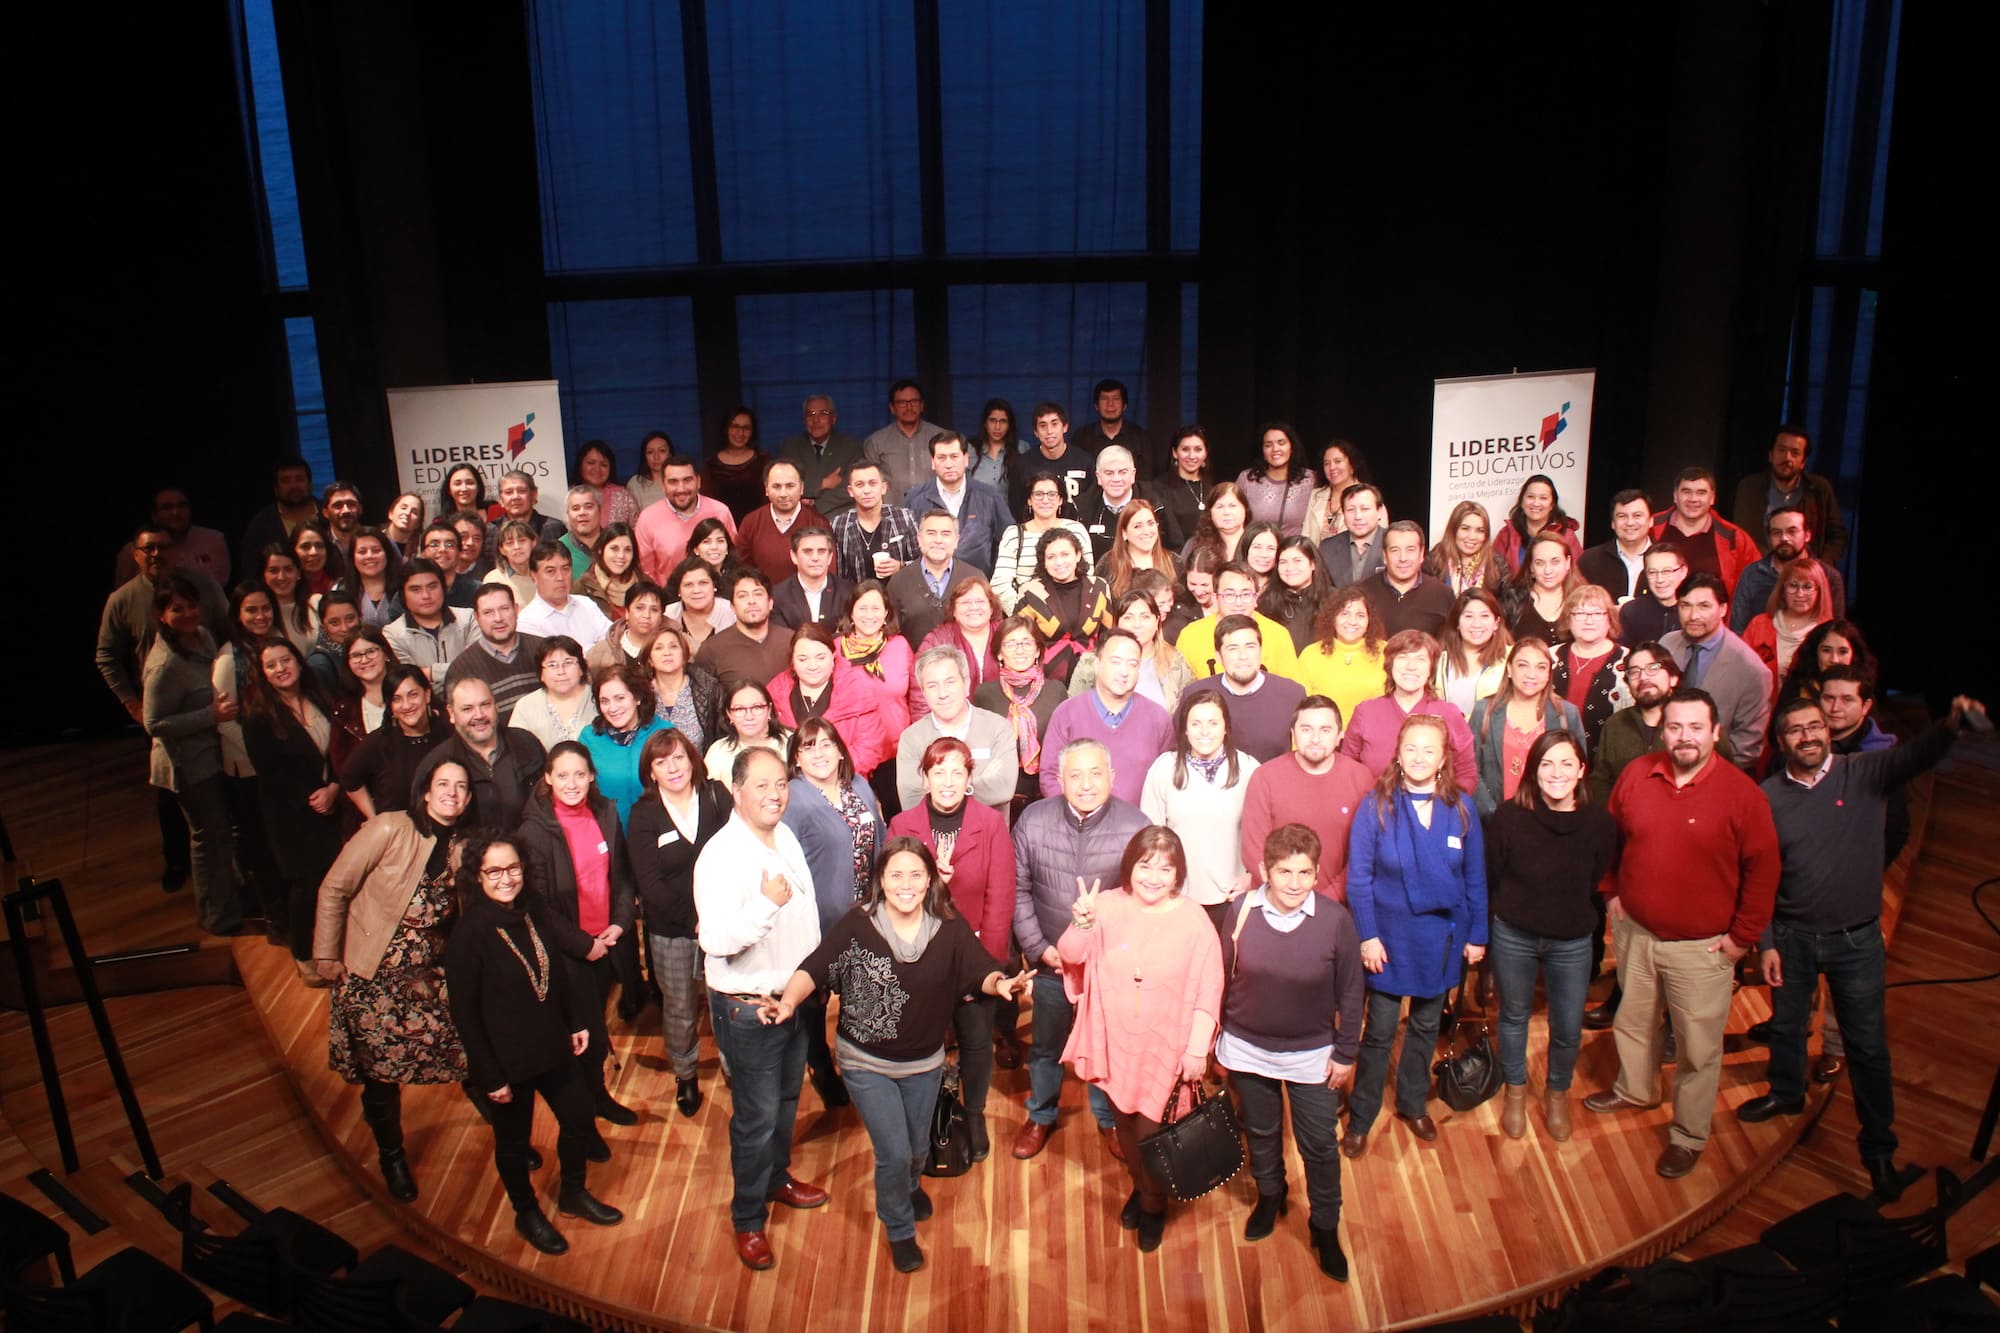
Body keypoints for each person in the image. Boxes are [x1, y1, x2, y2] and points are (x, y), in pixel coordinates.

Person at [1740, 694, 1983, 1200]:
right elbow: (1758, 877)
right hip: (1790, 939)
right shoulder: (1766, 798)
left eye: (1814, 726)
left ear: (1828, 730)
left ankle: (1878, 1153)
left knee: (1868, 1049)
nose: (1807, 736)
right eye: (1794, 731)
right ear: (1780, 741)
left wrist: (1952, 722)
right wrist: (1765, 943)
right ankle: (1787, 1094)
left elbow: (1919, 755)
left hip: (1856, 942)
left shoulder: (1866, 773)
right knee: (1786, 1027)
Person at [758, 839, 1034, 1273]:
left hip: (925, 1063)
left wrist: (1001, 984)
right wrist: (789, 1003)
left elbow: (982, 970)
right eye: (895, 875)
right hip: (865, 1062)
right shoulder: (856, 925)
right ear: (880, 881)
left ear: (930, 880)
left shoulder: (949, 926)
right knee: (893, 1151)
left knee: (917, 1148)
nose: (906, 885)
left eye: (915, 875)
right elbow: (813, 969)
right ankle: (899, 1228)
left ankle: (909, 1184)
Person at [1582, 688, 1779, 1179]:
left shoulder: (1742, 795)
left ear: (1715, 732)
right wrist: (1611, 892)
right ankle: (1635, 1089)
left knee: (1697, 1047)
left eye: (1695, 727)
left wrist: (1742, 939)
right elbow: (1611, 841)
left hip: (1704, 947)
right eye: (1675, 727)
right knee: (1634, 1021)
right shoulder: (1637, 775)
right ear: (1662, 730)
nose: (1684, 737)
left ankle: (1688, 1134)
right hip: (1638, 934)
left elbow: (1764, 872)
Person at [446, 832, 623, 1254]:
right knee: (512, 1142)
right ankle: (526, 1213)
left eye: (513, 868)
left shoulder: (533, 909)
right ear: (478, 875)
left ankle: (573, 1194)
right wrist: (488, 1075)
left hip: (552, 1042)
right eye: (494, 871)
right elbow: (465, 1016)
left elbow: (557, 974)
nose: (506, 878)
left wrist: (575, 1020)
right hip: (507, 1060)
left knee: (579, 1118)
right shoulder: (469, 935)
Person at [312, 762, 474, 1201]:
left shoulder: (464, 845)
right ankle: (392, 1155)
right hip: (373, 976)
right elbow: (333, 889)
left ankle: (505, 1131)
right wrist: (326, 956)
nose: (452, 793)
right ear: (425, 791)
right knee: (381, 1079)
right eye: (444, 785)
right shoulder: (388, 828)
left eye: (461, 787)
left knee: (467, 1051)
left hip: (429, 978)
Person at [1058, 826, 1224, 1251]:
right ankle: (1140, 1188)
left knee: (1154, 1135)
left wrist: (1196, 1049)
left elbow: (1210, 988)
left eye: (1165, 869)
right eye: (1145, 865)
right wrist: (1080, 923)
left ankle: (1154, 1205)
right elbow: (1072, 956)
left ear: (1178, 874)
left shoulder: (1194, 920)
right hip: (1117, 1046)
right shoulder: (1106, 906)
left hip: (1166, 1051)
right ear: (1129, 867)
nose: (1153, 876)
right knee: (1126, 1128)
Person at [693, 747, 827, 1271]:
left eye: (781, 784)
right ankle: (748, 1218)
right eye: (762, 786)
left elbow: (809, 914)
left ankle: (777, 1179)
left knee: (788, 1099)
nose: (775, 795)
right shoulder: (721, 855)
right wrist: (767, 903)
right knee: (755, 1118)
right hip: (750, 1009)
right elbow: (718, 939)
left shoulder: (785, 835)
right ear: (736, 791)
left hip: (793, 998)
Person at [1215, 823, 1365, 1280]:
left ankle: (1324, 1226)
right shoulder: (1240, 912)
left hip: (1312, 1055)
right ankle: (1270, 1196)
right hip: (1245, 1049)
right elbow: (1220, 979)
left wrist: (1345, 1052)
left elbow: (1352, 992)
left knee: (1320, 1146)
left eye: (1305, 873)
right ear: (1264, 870)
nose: (1296, 884)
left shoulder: (1336, 921)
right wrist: (1213, 1045)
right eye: (1284, 872)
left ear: (1317, 873)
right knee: (1260, 1132)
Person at [1341, 713, 1488, 1156]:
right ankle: (1362, 1114)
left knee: (1426, 1026)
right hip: (1388, 937)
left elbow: (1475, 879)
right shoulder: (1376, 806)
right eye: (1412, 749)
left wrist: (1477, 935)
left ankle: (1410, 1101)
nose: (1420, 757)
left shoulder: (1461, 809)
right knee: (1381, 1030)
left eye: (1430, 750)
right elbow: (1359, 879)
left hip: (1442, 936)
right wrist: (1367, 936)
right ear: (1398, 755)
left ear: (1444, 758)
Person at [1010, 739, 1150, 1160]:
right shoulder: (1033, 821)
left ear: (1112, 777)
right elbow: (1018, 891)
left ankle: (1109, 1121)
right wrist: (1039, 948)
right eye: (1075, 775)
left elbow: (1145, 901)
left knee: (1106, 1046)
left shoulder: (1135, 826)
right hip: (1052, 962)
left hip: (1108, 968)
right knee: (1046, 1046)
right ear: (1059, 779)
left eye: (1095, 774)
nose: (1085, 784)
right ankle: (1041, 1114)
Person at [888, 738, 1018, 1157]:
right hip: (920, 955)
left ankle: (975, 1112)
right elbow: (892, 895)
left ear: (969, 780)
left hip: (975, 955)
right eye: (937, 772)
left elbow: (1001, 897)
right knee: (926, 1041)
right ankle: (928, 1113)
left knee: (977, 1037)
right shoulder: (901, 826)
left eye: (956, 772)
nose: (947, 781)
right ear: (923, 779)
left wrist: (988, 967)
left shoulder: (991, 824)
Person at [1485, 732, 1617, 1140]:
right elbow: (1492, 876)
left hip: (1572, 940)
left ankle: (1557, 1094)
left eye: (1566, 764)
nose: (1556, 773)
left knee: (1567, 1026)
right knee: (1513, 1016)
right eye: (1546, 764)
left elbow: (1595, 877)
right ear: (1533, 771)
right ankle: (1516, 1093)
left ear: (1581, 770)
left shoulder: (1599, 823)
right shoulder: (1509, 817)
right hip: (1514, 935)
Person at [515, 740, 640, 1128]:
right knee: (584, 1033)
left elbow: (620, 875)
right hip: (571, 950)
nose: (572, 783)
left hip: (608, 940)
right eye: (563, 775)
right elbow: (538, 905)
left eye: (580, 774)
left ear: (592, 777)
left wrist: (619, 922)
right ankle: (585, 1112)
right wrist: (584, 945)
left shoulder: (604, 812)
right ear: (548, 778)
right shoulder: (534, 832)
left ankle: (595, 1096)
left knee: (597, 1027)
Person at [626, 729, 731, 1116]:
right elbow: (649, 883)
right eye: (661, 761)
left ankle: (735, 1067)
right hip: (671, 931)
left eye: (679, 758)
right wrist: (694, 922)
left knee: (726, 1001)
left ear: (692, 760)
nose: (672, 767)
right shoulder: (643, 815)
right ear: (650, 771)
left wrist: (716, 918)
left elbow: (738, 854)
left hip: (724, 923)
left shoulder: (717, 795)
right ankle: (685, 1074)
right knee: (680, 1008)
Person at [141, 576, 244, 936]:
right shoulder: (164, 665)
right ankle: (217, 917)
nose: (187, 613)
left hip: (214, 754)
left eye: (191, 605)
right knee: (209, 836)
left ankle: (229, 900)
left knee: (223, 832)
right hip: (188, 764)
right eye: (176, 608)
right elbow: (154, 723)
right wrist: (209, 716)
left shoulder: (203, 637)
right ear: (161, 615)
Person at [1239, 696, 1376, 902]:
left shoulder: (1361, 778)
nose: (1315, 738)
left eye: (1325, 730)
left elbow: (1365, 852)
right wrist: (1286, 894)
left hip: (1339, 905)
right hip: (1276, 903)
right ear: (1293, 734)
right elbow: (1254, 850)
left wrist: (1324, 902)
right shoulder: (1265, 777)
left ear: (1340, 735)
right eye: (1306, 729)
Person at [1141, 692, 1260, 915]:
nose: (1204, 731)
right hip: (1177, 897)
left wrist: (1252, 877)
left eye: (1213, 723)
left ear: (1226, 727)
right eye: (1196, 724)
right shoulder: (1164, 768)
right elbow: (1151, 836)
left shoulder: (1248, 769)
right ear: (1185, 729)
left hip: (1231, 898)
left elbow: (1263, 834)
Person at [1036, 630, 1175, 805]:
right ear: (1097, 664)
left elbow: (1168, 780)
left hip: (1140, 827)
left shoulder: (1158, 718)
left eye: (1132, 664)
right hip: (1078, 827)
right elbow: (1050, 775)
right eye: (1115, 662)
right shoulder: (1067, 713)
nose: (1124, 671)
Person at [1339, 629, 1478, 792]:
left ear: (1431, 668)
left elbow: (1467, 774)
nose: (1411, 666)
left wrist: (1444, 806)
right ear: (1390, 665)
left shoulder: (1449, 714)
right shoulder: (1366, 712)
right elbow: (1346, 770)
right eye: (1402, 657)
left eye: (1420, 659)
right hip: (1375, 810)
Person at [1660, 571, 1772, 770]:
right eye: (1685, 606)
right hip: (1660, 763)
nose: (1693, 616)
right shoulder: (1666, 644)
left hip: (1715, 774)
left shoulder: (1751, 670)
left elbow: (1746, 748)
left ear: (1722, 609)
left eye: (1704, 606)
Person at [1468, 638, 1588, 816]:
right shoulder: (1484, 711)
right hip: (1495, 818)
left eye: (1541, 667)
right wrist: (1493, 814)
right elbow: (1470, 768)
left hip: (1549, 821)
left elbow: (1578, 769)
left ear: (1549, 673)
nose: (1531, 674)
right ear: (1509, 669)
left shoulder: (1566, 714)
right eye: (1523, 665)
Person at [417, 677, 548, 833]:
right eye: (467, 709)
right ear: (451, 713)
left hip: (529, 852)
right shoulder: (437, 763)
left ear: (495, 705)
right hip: (469, 854)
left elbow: (550, 803)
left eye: (485, 705)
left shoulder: (526, 743)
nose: (479, 715)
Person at [768, 624, 897, 778]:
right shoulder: (775, 691)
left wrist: (829, 775)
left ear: (833, 656)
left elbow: (869, 748)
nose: (812, 666)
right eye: (803, 659)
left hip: (846, 781)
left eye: (820, 657)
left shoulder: (857, 689)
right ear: (792, 661)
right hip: (791, 786)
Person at [896, 646, 1019, 809]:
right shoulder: (911, 738)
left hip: (988, 833)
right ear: (924, 693)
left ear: (966, 683)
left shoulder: (998, 728)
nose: (943, 693)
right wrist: (979, 782)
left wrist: (936, 792)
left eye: (950, 682)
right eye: (932, 686)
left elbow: (1003, 789)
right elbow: (911, 801)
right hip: (933, 834)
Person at [1180, 615, 1307, 762]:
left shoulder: (1292, 694)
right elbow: (1179, 751)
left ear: (1261, 650)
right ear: (1219, 656)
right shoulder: (1195, 695)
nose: (1243, 656)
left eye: (1250, 647)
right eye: (1233, 649)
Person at [974, 617, 1064, 815]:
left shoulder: (1056, 691)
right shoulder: (984, 694)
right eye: (1011, 643)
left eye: (1026, 642)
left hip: (1046, 797)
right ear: (999, 653)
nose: (1020, 650)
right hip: (999, 798)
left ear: (1038, 650)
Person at [339, 663, 443, 822]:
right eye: (397, 699)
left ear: (427, 695)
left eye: (413, 695)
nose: (407, 705)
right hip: (400, 838)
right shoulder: (379, 742)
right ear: (391, 706)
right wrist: (373, 818)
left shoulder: (448, 732)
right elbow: (348, 777)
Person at [1732, 423, 1847, 565]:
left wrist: (1819, 567)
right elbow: (1743, 535)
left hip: (1808, 575)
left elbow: (1837, 537)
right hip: (1761, 571)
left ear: (1803, 462)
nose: (1787, 458)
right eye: (1781, 450)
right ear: (1770, 455)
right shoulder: (1749, 487)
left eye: (1795, 453)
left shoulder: (1819, 488)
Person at [901, 431, 1012, 574]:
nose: (948, 464)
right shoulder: (915, 499)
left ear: (966, 459)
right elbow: (905, 548)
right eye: (941, 458)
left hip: (976, 587)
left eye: (954, 457)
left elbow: (1010, 542)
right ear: (933, 462)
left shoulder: (989, 496)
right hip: (927, 586)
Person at [1012, 528, 1112, 685]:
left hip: (1092, 679)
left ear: (1078, 555)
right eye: (1051, 557)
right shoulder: (1030, 592)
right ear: (1043, 562)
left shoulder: (1099, 587)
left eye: (1065, 554)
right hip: (1046, 682)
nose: (1059, 562)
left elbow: (1109, 637)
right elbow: (1018, 639)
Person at [1069, 588, 1193, 713]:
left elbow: (1188, 711)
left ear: (1156, 622)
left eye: (1145, 617)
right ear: (1117, 624)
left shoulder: (1175, 660)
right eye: (1128, 618)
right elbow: (1073, 711)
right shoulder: (1091, 662)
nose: (1137, 624)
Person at [1731, 505, 1848, 636]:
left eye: (1792, 532)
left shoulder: (1828, 576)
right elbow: (1738, 630)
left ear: (1807, 535)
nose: (1784, 538)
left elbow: (1837, 632)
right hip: (1760, 652)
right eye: (1776, 532)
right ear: (1769, 538)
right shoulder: (1752, 574)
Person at [1175, 563, 1301, 683]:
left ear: (1256, 598)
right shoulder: (1191, 635)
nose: (1238, 602)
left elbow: (1292, 689)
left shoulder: (1278, 635)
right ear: (1215, 597)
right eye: (1229, 595)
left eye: (1246, 594)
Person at [441, 584, 545, 725]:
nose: (498, 618)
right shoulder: (461, 669)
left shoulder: (544, 651)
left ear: (516, 610)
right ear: (477, 617)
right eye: (488, 612)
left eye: (504, 609)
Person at [992, 471, 1094, 612]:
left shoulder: (1077, 530)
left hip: (1072, 614)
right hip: (1028, 617)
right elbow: (1000, 585)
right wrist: (1025, 616)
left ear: (1060, 500)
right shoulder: (1014, 534)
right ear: (1029, 500)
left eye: (1052, 494)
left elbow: (1088, 577)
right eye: (1038, 494)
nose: (1045, 500)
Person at [1650, 467, 1760, 598]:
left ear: (1712, 498)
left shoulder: (1734, 538)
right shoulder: (1650, 527)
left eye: (1701, 492)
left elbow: (1755, 586)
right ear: (1675, 495)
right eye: (1686, 491)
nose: (1693, 499)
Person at [1295, 584, 1388, 728]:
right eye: (1344, 613)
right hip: (1323, 740)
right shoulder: (1310, 655)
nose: (1352, 621)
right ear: (1332, 617)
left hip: (1373, 737)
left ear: (1370, 620)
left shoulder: (1386, 652)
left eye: (1360, 615)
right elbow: (1299, 707)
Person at [636, 455, 738, 585]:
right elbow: (645, 573)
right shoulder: (648, 518)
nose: (681, 489)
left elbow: (732, 560)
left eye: (687, 480)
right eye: (673, 482)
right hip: (668, 600)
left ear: (698, 481)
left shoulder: (720, 512)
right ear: (663, 485)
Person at [1551, 584, 1630, 750]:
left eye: (1597, 613)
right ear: (1568, 618)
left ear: (1609, 618)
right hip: (1554, 753)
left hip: (1609, 755)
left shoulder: (1628, 660)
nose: (1588, 620)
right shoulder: (1550, 656)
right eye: (1580, 613)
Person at [910, 576, 1004, 715]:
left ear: (991, 608)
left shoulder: (1007, 634)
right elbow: (920, 694)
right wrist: (931, 734)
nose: (973, 607)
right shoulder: (937, 640)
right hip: (951, 724)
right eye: (965, 602)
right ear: (953, 610)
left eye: (980, 601)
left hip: (1004, 722)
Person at [1740, 555, 1835, 689]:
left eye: (1808, 587)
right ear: (1782, 590)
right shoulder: (1759, 624)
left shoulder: (1828, 631)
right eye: (1793, 585)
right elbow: (1740, 669)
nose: (1800, 594)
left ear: (1820, 591)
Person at [734, 458, 833, 584]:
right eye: (776, 486)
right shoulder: (751, 522)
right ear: (766, 489)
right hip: (763, 599)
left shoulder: (818, 523)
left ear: (802, 488)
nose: (783, 493)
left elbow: (828, 572)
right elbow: (742, 571)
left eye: (790, 486)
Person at [834, 581, 913, 735]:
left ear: (885, 613)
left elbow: (916, 696)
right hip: (854, 750)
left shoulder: (900, 645)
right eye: (862, 608)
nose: (869, 615)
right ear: (851, 613)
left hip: (897, 748)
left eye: (876, 608)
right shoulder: (835, 649)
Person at [827, 460, 920, 587]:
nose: (866, 490)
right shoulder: (838, 524)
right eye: (859, 485)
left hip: (898, 598)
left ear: (883, 488)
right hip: (857, 599)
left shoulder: (904, 517)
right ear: (850, 491)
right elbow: (838, 574)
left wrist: (901, 566)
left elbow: (922, 562)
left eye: (872, 483)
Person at [383, 558, 475, 684]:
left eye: (432, 586)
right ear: (403, 595)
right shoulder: (392, 635)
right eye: (416, 589)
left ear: (443, 588)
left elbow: (478, 666)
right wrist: (460, 667)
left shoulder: (469, 618)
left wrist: (430, 673)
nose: (426, 595)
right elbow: (410, 682)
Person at [116, 485, 232, 586]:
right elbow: (123, 591)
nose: (175, 512)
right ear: (154, 516)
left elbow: (220, 582)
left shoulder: (213, 540)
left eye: (181, 506)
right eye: (167, 507)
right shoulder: (133, 551)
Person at [695, 569, 792, 687]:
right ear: (732, 607)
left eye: (758, 594)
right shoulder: (711, 650)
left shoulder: (792, 641)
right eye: (742, 596)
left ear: (770, 603)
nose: (751, 601)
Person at [776, 394, 866, 519]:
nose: (816, 420)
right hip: (800, 521)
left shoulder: (851, 447)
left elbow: (854, 488)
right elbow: (784, 486)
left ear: (833, 418)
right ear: (804, 419)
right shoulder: (790, 448)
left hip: (841, 520)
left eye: (822, 414)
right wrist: (822, 483)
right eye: (810, 414)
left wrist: (813, 504)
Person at [1362, 520, 1454, 638]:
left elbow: (1452, 644)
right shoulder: (1364, 592)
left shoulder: (1443, 594)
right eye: (1395, 550)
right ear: (1384, 556)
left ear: (1421, 554)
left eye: (1410, 550)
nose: (1403, 558)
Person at [518, 541, 612, 652]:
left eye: (565, 569)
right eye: (550, 571)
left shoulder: (586, 604)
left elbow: (613, 643)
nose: (560, 577)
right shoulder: (527, 621)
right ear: (534, 576)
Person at [238, 457, 321, 581]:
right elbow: (251, 571)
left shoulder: (328, 514)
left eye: (299, 479)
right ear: (276, 489)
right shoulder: (261, 524)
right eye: (286, 481)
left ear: (310, 485)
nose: (293, 486)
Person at [863, 379, 946, 503]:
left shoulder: (941, 437)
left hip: (934, 515)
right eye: (902, 402)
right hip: (892, 516)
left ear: (922, 405)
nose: (909, 407)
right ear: (892, 407)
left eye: (914, 401)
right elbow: (868, 483)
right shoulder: (876, 442)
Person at [509, 636, 598, 751]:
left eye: (568, 662)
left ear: (581, 668)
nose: (561, 671)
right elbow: (515, 751)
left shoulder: (599, 698)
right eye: (552, 665)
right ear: (541, 673)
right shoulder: (525, 706)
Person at [1433, 588, 1512, 719]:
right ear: (1457, 623)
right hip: (1448, 735)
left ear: (1496, 623)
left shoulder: (1512, 657)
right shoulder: (1439, 659)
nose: (1476, 624)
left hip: (1491, 736)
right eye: (1468, 616)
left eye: (1484, 616)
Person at [1073, 446, 1157, 565]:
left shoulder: (1155, 504)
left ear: (1133, 475)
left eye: (1122, 472)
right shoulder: (1082, 508)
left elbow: (1173, 546)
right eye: (1109, 473)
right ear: (1098, 477)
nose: (1116, 479)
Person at [1011, 402, 1096, 516]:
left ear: (1065, 427)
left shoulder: (1085, 462)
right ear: (1036, 432)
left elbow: (1094, 502)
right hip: (1037, 531)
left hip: (1076, 529)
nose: (1049, 431)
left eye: (1054, 424)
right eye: (1043, 425)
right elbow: (1016, 507)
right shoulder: (1023, 465)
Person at [647, 623, 723, 749]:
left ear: (684, 655)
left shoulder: (708, 689)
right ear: (649, 659)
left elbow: (721, 739)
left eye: (673, 647)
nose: (667, 652)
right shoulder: (639, 693)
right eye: (658, 648)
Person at [1503, 531, 1584, 646]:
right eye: (1539, 563)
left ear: (1567, 562)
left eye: (1555, 562)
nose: (1548, 570)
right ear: (1531, 567)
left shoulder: (1583, 600)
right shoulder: (1512, 601)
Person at [1491, 473, 1584, 573]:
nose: (1536, 503)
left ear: (1552, 504)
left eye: (1543, 498)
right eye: (1530, 497)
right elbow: (1492, 576)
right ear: (1521, 501)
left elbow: (1579, 576)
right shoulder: (1506, 534)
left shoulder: (1566, 536)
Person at [1237, 422, 1317, 536]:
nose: (1275, 449)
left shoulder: (1310, 479)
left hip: (1295, 551)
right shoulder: (1247, 479)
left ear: (1292, 447)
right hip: (1258, 551)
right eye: (1268, 445)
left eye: (1281, 443)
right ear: (1263, 451)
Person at [705, 678, 792, 783]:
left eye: (757, 707)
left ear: (769, 710)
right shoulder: (717, 753)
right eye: (739, 709)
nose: (749, 716)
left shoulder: (791, 744)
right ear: (729, 714)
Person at [769, 527, 852, 632]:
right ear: (794, 556)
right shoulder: (778, 596)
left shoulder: (848, 592)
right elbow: (781, 639)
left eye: (821, 551)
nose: (815, 558)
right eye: (808, 551)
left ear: (830, 557)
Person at [1259, 535, 1333, 653]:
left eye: (1297, 561)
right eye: (1283, 562)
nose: (1290, 568)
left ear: (1313, 564)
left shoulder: (1334, 600)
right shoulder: (1267, 603)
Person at [1578, 490, 1654, 602]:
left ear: (1651, 521)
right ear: (1613, 523)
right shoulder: (1589, 560)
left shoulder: (1667, 560)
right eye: (1622, 516)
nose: (1630, 522)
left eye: (1637, 515)